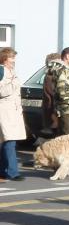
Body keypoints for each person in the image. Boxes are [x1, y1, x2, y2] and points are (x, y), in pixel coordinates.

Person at [0, 47, 26, 181]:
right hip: (5, 111)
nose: (14, 60)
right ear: (5, 59)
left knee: (6, 142)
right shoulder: (1, 70)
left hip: (12, 111)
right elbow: (2, 91)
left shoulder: (10, 71)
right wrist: (13, 84)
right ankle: (13, 172)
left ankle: (4, 171)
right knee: (9, 141)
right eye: (12, 57)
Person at [48, 47, 69, 135]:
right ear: (67, 56)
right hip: (67, 110)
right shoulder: (62, 70)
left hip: (67, 110)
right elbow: (62, 92)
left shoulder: (64, 69)